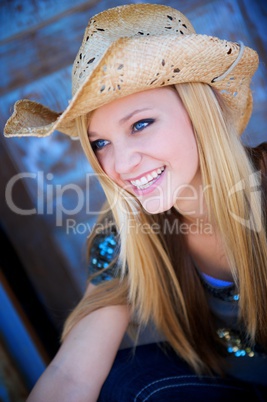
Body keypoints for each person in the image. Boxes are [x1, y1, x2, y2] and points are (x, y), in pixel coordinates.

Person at [4, 3, 267, 401]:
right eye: (101, 144)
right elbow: (71, 375)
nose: (121, 164)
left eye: (140, 124)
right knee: (123, 383)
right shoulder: (124, 235)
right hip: (233, 389)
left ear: (203, 109)